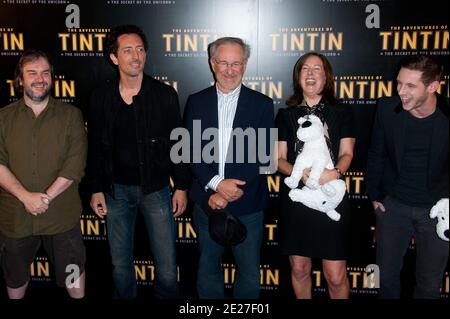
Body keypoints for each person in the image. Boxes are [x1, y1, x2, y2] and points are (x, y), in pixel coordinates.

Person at [86, 25, 190, 299]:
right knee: (120, 266)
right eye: (128, 50)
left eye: (140, 49)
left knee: (167, 269)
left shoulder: (165, 95)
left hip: (156, 190)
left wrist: (181, 186)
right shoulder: (100, 97)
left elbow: (178, 145)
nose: (136, 56)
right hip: (115, 191)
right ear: (114, 57)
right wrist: (96, 188)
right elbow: (95, 147)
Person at [184, 37, 274, 299]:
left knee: (248, 273)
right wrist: (215, 187)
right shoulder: (196, 101)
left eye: (236, 63)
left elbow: (264, 158)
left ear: (245, 65)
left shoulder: (262, 104)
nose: (230, 70)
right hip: (206, 202)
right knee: (207, 269)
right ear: (213, 63)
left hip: (248, 204)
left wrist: (228, 191)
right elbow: (189, 151)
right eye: (224, 63)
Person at [0, 49, 87, 299]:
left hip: (61, 215)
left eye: (45, 73)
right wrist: (26, 197)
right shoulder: (2, 119)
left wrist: (45, 197)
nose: (40, 78)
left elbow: (75, 165)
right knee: (15, 277)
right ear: (20, 80)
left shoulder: (71, 116)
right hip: (15, 217)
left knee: (73, 272)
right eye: (32, 73)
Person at [367, 55, 449, 299]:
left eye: (410, 86)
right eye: (399, 83)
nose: (401, 91)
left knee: (429, 284)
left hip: (438, 212)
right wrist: (375, 194)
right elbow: (376, 153)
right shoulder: (386, 108)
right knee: (387, 278)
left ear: (433, 86)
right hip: (393, 207)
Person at [275, 52, 355, 299]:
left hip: (330, 195)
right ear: (298, 77)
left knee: (335, 275)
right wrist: (302, 175)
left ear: (326, 76)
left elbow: (347, 153)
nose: (310, 73)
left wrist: (334, 173)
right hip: (298, 198)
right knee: (299, 269)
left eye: (317, 68)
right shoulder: (285, 115)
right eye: (305, 69)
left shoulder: (342, 112)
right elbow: (277, 159)